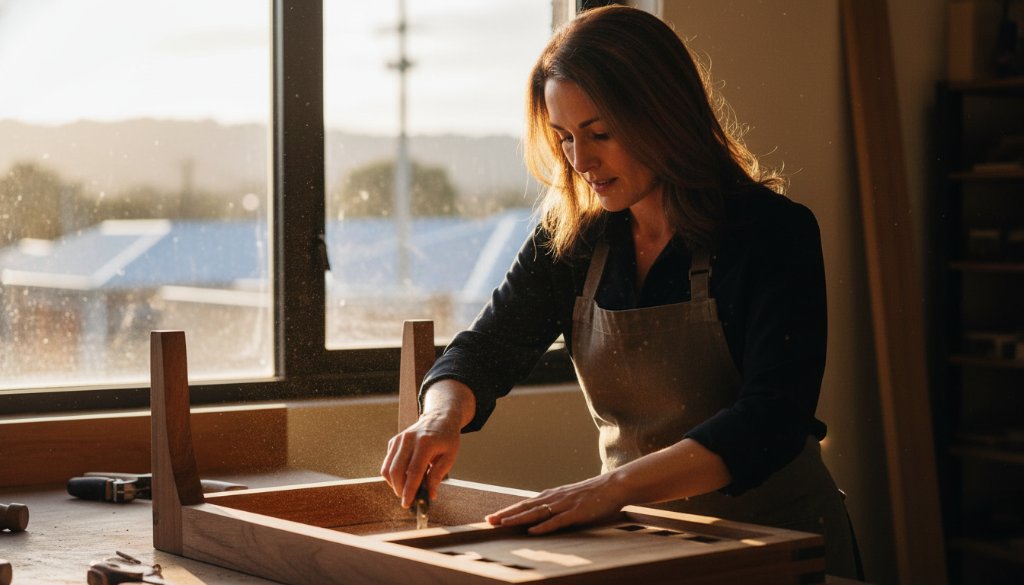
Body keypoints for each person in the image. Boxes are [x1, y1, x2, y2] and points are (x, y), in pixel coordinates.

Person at [381, 5, 860, 578]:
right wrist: (440, 416)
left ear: (664, 115)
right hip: (648, 540)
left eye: (600, 133)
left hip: (780, 542)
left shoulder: (772, 232)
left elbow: (772, 418)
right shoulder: (575, 239)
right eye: (564, 139)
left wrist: (613, 489)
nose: (581, 162)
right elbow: (484, 351)